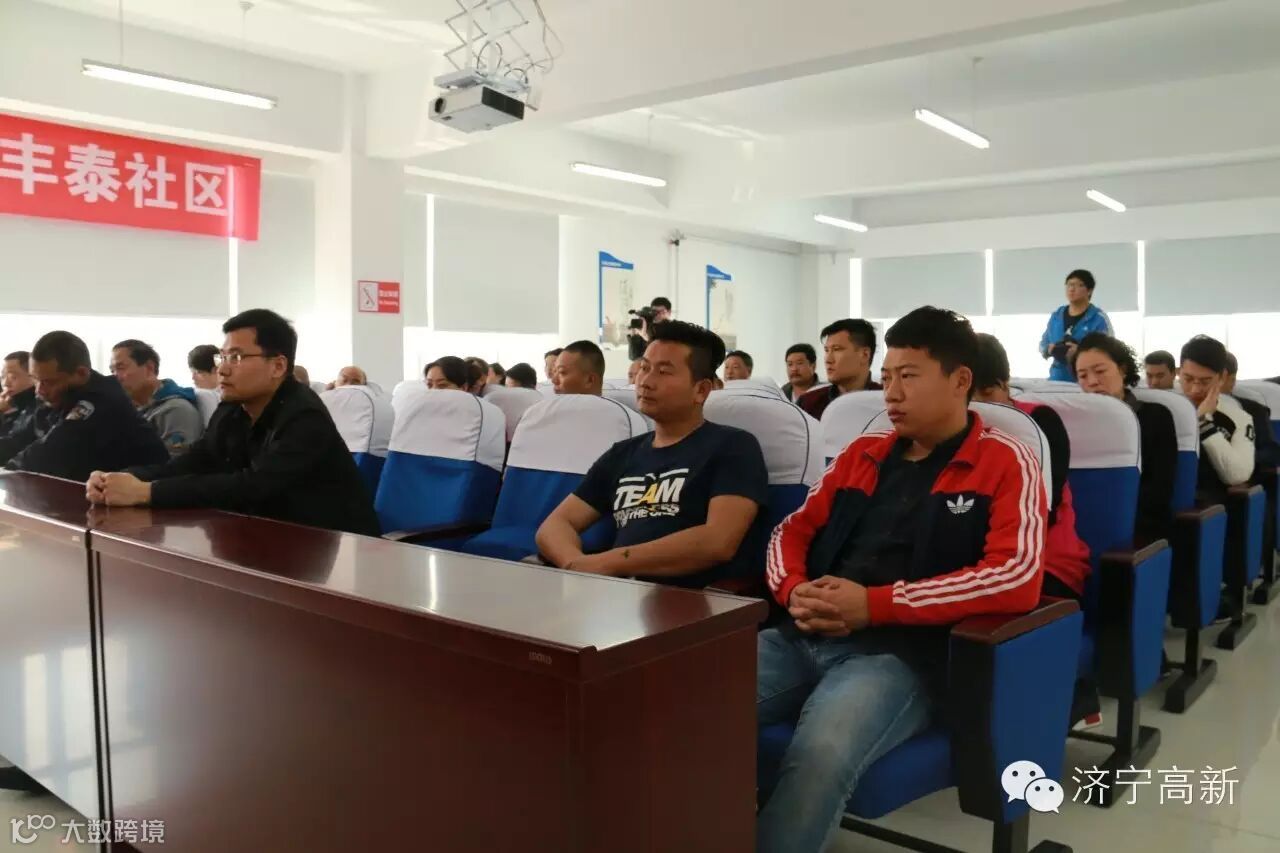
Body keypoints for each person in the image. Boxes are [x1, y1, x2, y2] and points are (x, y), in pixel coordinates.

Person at [757, 307, 1046, 853]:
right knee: (687, 708)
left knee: (820, 753)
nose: (890, 393)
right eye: (887, 377)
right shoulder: (862, 453)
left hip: (900, 655)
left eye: (909, 376)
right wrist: (793, 589)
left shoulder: (1007, 459)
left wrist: (875, 605)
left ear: (960, 380)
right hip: (803, 632)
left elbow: (1016, 577)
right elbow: (790, 531)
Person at [86, 309, 380, 537]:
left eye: (236, 357)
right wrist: (121, 479)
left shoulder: (305, 417)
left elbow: (253, 486)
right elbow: (194, 462)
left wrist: (147, 492)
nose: (223, 369)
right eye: (222, 356)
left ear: (278, 366)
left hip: (334, 550)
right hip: (265, 538)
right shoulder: (232, 408)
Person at [535, 321, 769, 590]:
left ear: (701, 390)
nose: (645, 381)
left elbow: (717, 542)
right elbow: (555, 525)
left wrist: (609, 563)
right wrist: (575, 565)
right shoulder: (622, 454)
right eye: (644, 368)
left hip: (690, 599)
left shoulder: (733, 446)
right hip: (617, 593)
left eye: (663, 372)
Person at [972, 334, 1091, 596]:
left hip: (1045, 557)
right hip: (973, 559)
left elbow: (1048, 504)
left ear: (1005, 384)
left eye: (988, 393)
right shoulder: (951, 428)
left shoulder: (1040, 420)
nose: (980, 405)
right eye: (970, 396)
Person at [3, 331, 168, 478]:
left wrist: (8, 471)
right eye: (36, 379)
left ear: (81, 373)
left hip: (140, 493)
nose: (40, 390)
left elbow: (51, 451)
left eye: (49, 382)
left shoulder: (102, 399)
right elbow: (19, 440)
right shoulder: (54, 396)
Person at [1073, 333, 1177, 546]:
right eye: (1082, 376)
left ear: (1122, 369)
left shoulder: (1156, 417)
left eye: (1100, 371)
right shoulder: (1074, 422)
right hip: (1078, 526)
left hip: (1137, 528)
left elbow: (1158, 493)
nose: (1092, 382)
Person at [1179, 335, 1255, 506]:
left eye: (1205, 381)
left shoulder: (1239, 418)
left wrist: (1203, 423)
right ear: (1178, 373)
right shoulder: (1164, 410)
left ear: (1222, 378)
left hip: (1208, 506)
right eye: (1188, 379)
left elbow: (1237, 475)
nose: (1195, 389)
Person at [110, 339, 204, 457]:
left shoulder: (176, 410)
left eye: (121, 368)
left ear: (149, 368)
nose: (114, 377)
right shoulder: (128, 410)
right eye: (112, 370)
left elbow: (174, 463)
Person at [797, 319, 881, 420]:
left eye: (836, 349)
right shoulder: (808, 404)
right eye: (826, 350)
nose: (828, 359)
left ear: (864, 354)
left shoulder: (885, 402)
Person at [1038, 269, 1114, 381]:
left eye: (1079, 285)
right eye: (1069, 285)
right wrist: (1049, 349)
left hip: (1087, 381)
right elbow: (1043, 344)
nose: (1072, 289)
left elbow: (1108, 351)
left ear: (1089, 291)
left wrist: (1080, 352)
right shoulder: (1056, 316)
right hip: (1057, 379)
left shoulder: (1098, 318)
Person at [1222, 351, 1280, 473]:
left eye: (1207, 380)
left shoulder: (1254, 410)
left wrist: (1241, 458)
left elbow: (1271, 453)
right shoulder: (1188, 410)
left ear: (1232, 380)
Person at [0, 350, 38, 443]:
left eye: (12, 377)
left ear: (33, 377)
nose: (5, 383)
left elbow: (14, 443)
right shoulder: (12, 404)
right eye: (3, 377)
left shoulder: (38, 408)